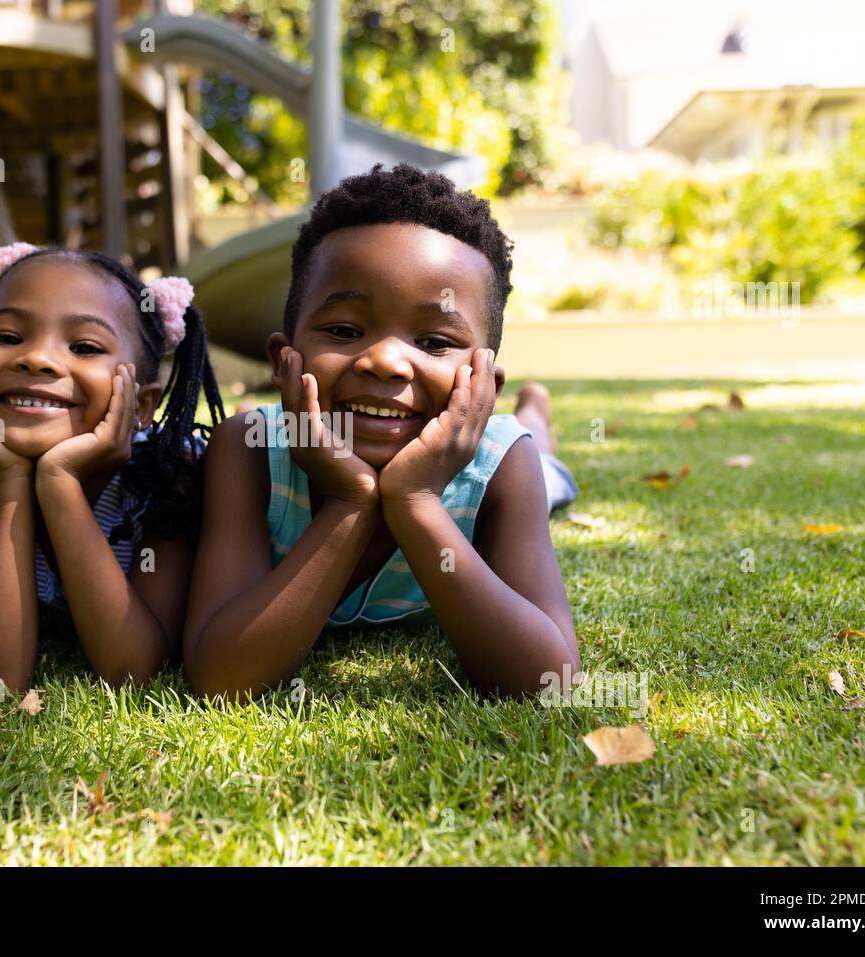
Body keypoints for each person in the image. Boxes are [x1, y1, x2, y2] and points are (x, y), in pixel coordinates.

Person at [184, 163, 580, 700]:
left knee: (547, 468)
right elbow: (222, 678)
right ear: (282, 361)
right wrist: (350, 502)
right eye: (345, 330)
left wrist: (415, 499)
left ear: (484, 384)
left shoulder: (502, 464)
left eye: (436, 342)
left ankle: (535, 413)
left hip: (516, 460)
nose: (387, 362)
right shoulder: (250, 449)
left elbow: (549, 684)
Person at [0, 244, 223, 697]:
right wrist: (10, 484)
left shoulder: (171, 486)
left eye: (85, 346)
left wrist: (59, 483)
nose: (37, 359)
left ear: (142, 405)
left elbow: (133, 670)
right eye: (8, 337)